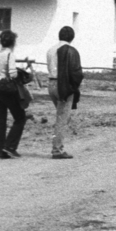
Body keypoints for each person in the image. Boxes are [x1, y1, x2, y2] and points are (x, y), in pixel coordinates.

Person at [44, 25, 84, 159]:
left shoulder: (50, 50)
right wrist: (74, 87)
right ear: (72, 37)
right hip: (63, 85)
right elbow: (76, 72)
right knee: (62, 118)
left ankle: (57, 144)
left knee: (61, 115)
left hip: (51, 83)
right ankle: (57, 149)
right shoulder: (71, 50)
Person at [0, 29, 27, 159]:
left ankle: (0, 151)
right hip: (6, 88)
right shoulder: (9, 54)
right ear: (13, 42)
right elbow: (12, 74)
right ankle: (10, 146)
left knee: (0, 120)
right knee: (20, 117)